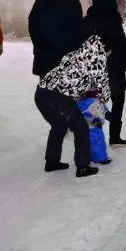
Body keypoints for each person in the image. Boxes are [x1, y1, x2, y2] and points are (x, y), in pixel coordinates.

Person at [35, 27, 111, 178]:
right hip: (59, 96)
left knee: (59, 126)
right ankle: (82, 167)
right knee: (81, 128)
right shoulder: (98, 57)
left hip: (41, 93)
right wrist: (104, 103)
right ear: (105, 48)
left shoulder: (77, 53)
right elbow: (102, 84)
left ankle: (52, 162)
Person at [83, 0, 126, 146]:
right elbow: (123, 47)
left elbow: (79, 47)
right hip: (115, 70)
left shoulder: (87, 21)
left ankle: (94, 141)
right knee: (118, 102)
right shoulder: (115, 20)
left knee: (94, 105)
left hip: (93, 72)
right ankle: (115, 136)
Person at [28, 0, 84, 77]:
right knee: (45, 88)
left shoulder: (73, 1)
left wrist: (69, 46)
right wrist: (38, 42)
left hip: (65, 52)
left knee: (63, 88)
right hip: (44, 50)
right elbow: (33, 21)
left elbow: (77, 27)